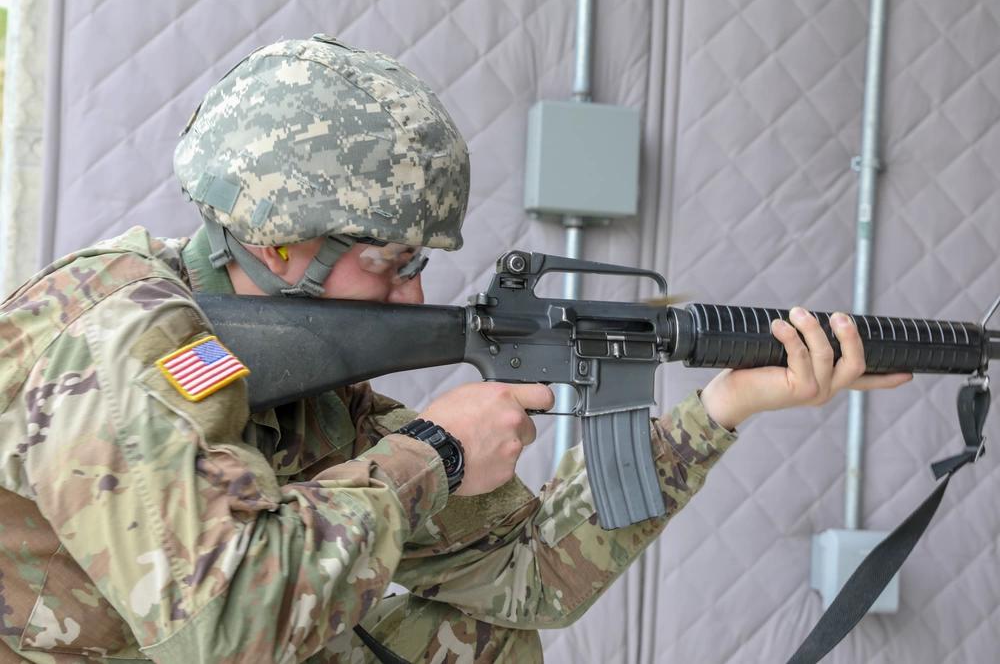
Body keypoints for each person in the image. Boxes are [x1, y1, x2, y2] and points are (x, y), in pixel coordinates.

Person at [0, 36, 911, 663]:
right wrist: (432, 452)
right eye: (390, 264)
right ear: (279, 243)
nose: (417, 297)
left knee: (479, 638)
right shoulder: (124, 348)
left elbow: (528, 581)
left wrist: (725, 408)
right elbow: (225, 628)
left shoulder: (309, 385)